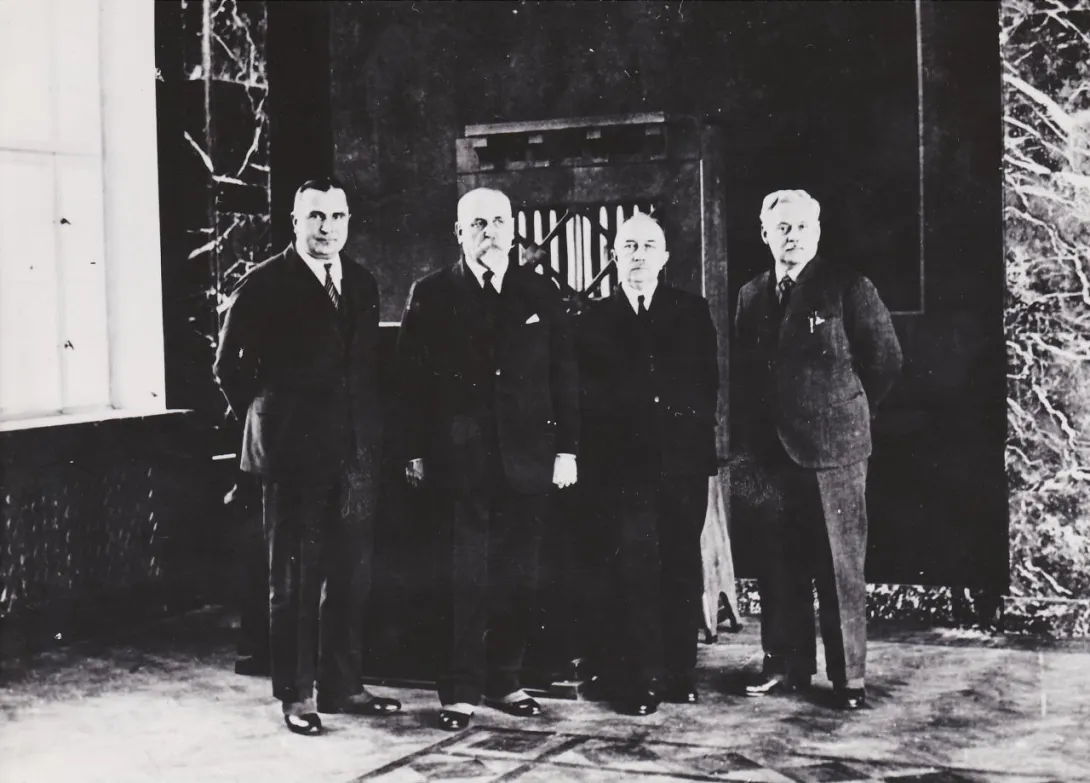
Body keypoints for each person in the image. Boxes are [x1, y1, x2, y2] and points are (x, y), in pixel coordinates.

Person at [213, 177, 401, 736]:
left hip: (354, 456)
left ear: (348, 221)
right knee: (294, 579)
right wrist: (269, 418)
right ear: (295, 222)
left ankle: (343, 685)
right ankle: (297, 695)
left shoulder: (361, 282)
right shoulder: (264, 283)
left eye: (337, 216)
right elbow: (228, 367)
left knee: (351, 574)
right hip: (292, 457)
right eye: (316, 216)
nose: (327, 228)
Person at [395, 187, 579, 732]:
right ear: (459, 233)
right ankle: (459, 690)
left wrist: (567, 450)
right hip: (459, 463)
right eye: (477, 223)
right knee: (463, 577)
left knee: (519, 574)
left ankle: (506, 679)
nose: (490, 232)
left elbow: (564, 375)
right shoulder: (431, 293)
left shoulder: (539, 291)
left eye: (499, 221)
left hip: (529, 459)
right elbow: (409, 383)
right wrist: (412, 451)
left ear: (513, 229)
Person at [732, 189, 902, 710]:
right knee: (777, 564)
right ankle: (785, 667)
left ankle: (849, 679)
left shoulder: (848, 287)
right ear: (765, 234)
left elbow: (885, 361)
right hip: (771, 454)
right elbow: (745, 374)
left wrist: (844, 413)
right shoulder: (751, 295)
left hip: (835, 452)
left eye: (803, 226)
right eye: (783, 228)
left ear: (818, 231)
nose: (793, 236)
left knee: (838, 566)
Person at [576, 213, 720, 716]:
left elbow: (707, 384)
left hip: (682, 466)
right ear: (615, 256)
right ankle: (642, 679)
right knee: (634, 570)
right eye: (630, 246)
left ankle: (681, 673)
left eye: (648, 246)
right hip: (622, 470)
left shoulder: (691, 310)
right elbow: (587, 399)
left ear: (664, 257)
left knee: (681, 565)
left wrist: (685, 441)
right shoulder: (593, 318)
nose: (639, 255)